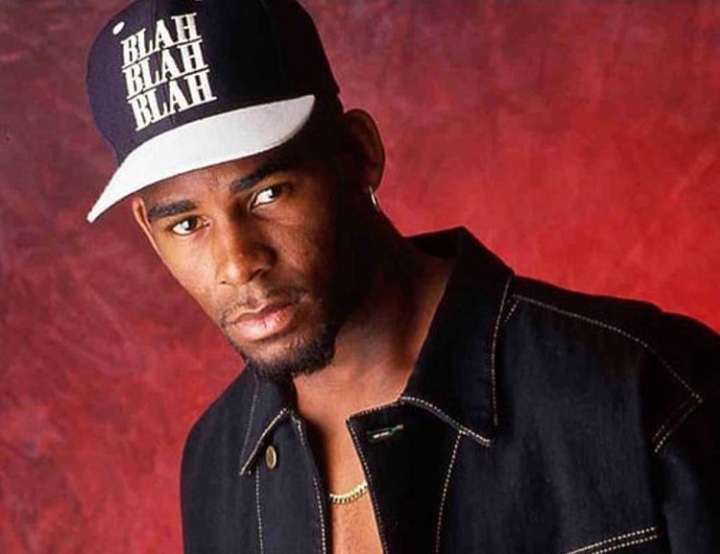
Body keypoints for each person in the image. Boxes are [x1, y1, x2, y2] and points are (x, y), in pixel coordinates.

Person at [85, 0, 719, 552]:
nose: (237, 263)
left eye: (270, 193)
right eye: (187, 224)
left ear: (359, 153)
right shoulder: (217, 463)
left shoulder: (644, 386)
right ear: (149, 229)